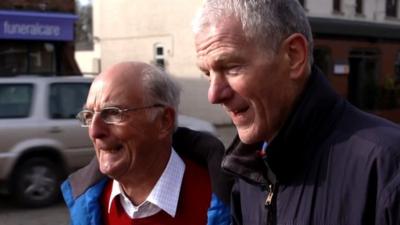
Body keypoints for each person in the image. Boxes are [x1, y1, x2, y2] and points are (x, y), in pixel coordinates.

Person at [192, 0, 400, 225]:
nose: (214, 95)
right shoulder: (249, 172)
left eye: (232, 67)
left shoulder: (388, 166)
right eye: (207, 74)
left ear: (293, 56)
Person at [61, 61, 232, 225]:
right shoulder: (87, 204)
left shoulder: (227, 201)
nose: (94, 132)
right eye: (89, 116)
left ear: (164, 121)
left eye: (113, 113)